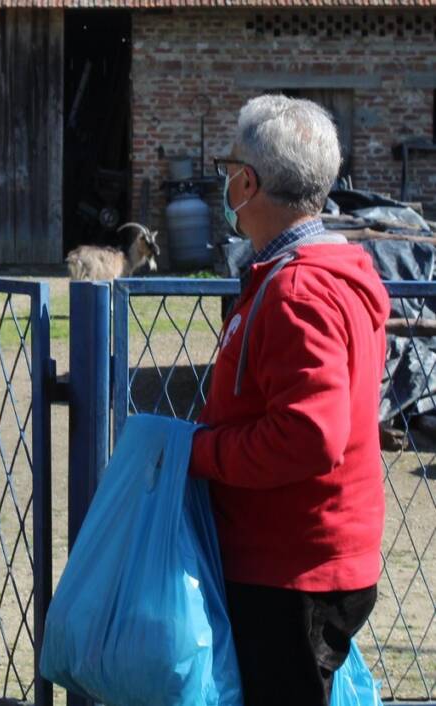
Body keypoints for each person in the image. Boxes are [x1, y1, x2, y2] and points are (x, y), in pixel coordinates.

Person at [191, 95, 390, 705]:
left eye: (229, 169)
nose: (225, 183)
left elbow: (309, 434)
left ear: (247, 182)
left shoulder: (298, 289)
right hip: (310, 556)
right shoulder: (315, 272)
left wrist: (201, 452)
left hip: (290, 571)